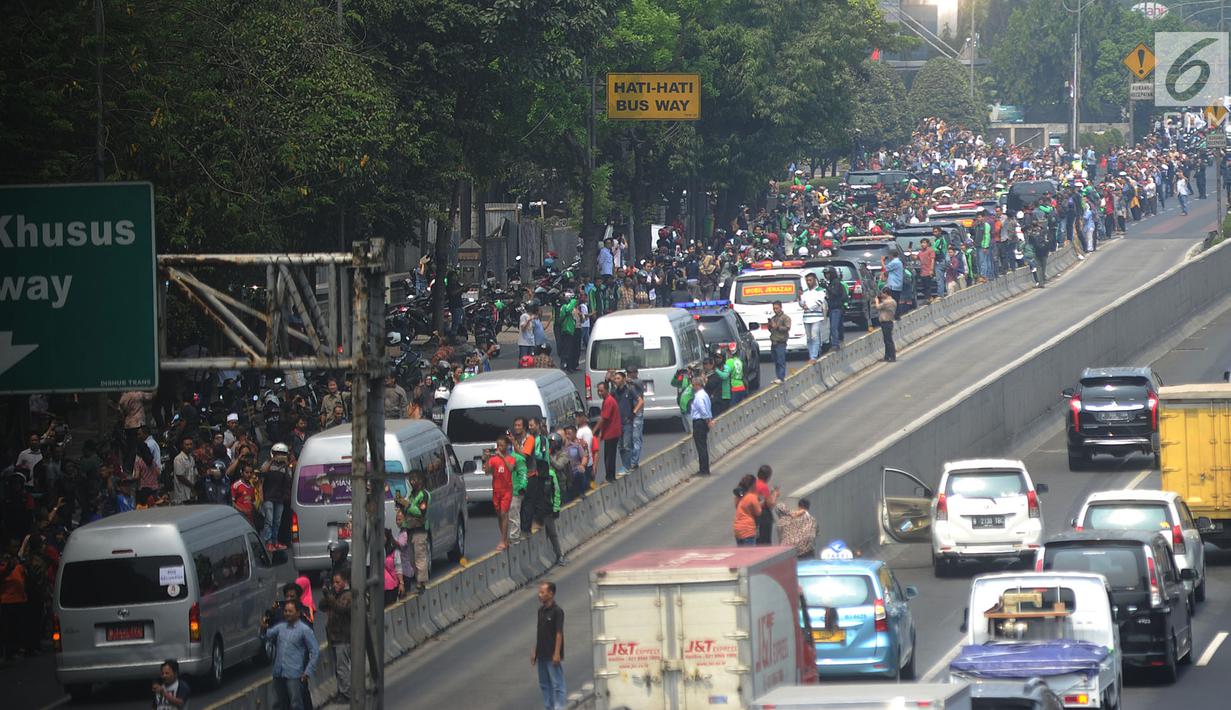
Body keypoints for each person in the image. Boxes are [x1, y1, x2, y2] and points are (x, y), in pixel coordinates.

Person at [260, 600, 319, 710]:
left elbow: (315, 651)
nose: (287, 613)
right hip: (279, 673)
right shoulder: (280, 627)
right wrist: (263, 627)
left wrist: (308, 672)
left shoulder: (304, 630)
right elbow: (266, 636)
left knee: (296, 704)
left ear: (298, 613)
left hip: (294, 675)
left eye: (290, 611)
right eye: (286, 611)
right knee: (282, 703)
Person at [318, 570, 353, 703]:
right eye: (334, 582)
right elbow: (322, 606)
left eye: (338, 582)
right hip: (333, 638)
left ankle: (347, 694)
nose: (335, 585)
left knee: (342, 667)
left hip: (343, 638)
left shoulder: (348, 595)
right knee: (338, 668)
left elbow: (340, 609)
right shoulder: (335, 595)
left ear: (345, 582)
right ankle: (342, 690)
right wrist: (328, 593)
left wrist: (330, 596)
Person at [532, 581, 566, 710]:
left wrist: (557, 653)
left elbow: (559, 633)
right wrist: (535, 650)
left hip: (552, 655)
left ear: (550, 594)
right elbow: (540, 632)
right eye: (539, 592)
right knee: (544, 684)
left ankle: (560, 707)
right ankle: (549, 707)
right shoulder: (540, 611)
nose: (539, 595)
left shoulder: (558, 611)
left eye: (542, 592)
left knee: (558, 684)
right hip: (541, 654)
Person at [396, 471, 431, 593]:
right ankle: (418, 580)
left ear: (421, 480)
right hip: (410, 529)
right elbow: (407, 510)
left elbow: (420, 512)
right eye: (411, 480)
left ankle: (421, 582)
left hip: (419, 530)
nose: (412, 482)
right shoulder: (411, 495)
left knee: (419, 556)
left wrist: (408, 505)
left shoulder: (424, 495)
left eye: (415, 479)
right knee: (412, 559)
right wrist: (401, 503)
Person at [261, 443, 292, 551]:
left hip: (280, 498)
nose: (280, 455)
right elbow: (263, 471)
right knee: (269, 520)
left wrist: (286, 464)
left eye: (282, 454)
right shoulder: (268, 464)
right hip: (268, 496)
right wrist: (272, 460)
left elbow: (289, 479)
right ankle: (268, 542)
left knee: (277, 521)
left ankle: (275, 541)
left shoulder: (286, 467)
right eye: (278, 453)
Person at [612, 370, 644, 473]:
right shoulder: (614, 392)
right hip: (617, 423)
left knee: (627, 445)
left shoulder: (629, 390)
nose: (616, 380)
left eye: (618, 378)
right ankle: (625, 465)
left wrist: (634, 413)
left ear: (623, 379)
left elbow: (640, 401)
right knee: (620, 446)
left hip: (627, 422)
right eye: (615, 378)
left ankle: (628, 466)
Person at [593, 381, 622, 482]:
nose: (599, 393)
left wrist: (594, 430)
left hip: (612, 433)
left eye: (601, 391)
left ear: (607, 390)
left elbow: (603, 418)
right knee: (609, 455)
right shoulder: (606, 400)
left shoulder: (609, 401)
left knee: (609, 456)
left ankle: (610, 477)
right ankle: (610, 476)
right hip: (610, 433)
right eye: (598, 391)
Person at [488, 441, 512, 550]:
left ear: (506, 446)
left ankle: (503, 540)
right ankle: (505, 538)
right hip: (496, 491)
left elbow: (511, 468)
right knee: (499, 515)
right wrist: (487, 458)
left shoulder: (510, 458)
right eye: (498, 445)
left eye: (502, 445)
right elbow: (487, 472)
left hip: (507, 491)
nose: (499, 448)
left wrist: (503, 457)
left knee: (504, 514)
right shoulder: (493, 460)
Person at [689, 373, 713, 476]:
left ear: (697, 385)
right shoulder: (705, 394)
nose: (693, 387)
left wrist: (707, 419)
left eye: (694, 385)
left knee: (701, 447)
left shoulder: (699, 396)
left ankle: (704, 470)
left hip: (699, 422)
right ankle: (704, 469)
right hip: (703, 422)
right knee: (703, 446)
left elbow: (703, 409)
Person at [799, 272, 827, 363]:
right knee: (808, 338)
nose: (808, 282)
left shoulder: (821, 290)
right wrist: (800, 300)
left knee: (815, 336)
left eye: (810, 280)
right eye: (807, 280)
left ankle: (814, 357)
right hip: (806, 317)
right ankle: (811, 355)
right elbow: (801, 304)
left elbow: (818, 302)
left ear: (814, 280)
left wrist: (808, 307)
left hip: (817, 317)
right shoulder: (805, 292)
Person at [754, 465, 780, 545]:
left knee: (758, 540)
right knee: (765, 541)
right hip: (764, 517)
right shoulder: (763, 486)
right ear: (768, 476)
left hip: (755, 515)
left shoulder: (754, 484)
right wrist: (775, 494)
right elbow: (770, 504)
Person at [732, 474, 762, 546]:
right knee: (749, 554)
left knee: (742, 553)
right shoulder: (752, 497)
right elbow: (758, 512)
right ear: (752, 485)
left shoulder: (738, 496)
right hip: (748, 529)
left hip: (737, 528)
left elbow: (737, 506)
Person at [767, 301, 791, 383]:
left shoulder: (785, 318)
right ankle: (778, 376)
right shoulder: (773, 318)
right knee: (775, 360)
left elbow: (787, 328)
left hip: (781, 342)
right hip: (773, 341)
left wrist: (777, 327)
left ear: (781, 307)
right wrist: (770, 325)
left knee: (781, 360)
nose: (775, 310)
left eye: (776, 308)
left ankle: (781, 377)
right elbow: (771, 330)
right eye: (774, 308)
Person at [170, 436, 197, 504]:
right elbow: (180, 477)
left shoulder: (192, 458)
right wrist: (192, 486)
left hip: (191, 493)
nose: (189, 446)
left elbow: (194, 473)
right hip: (182, 494)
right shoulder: (178, 459)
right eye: (187, 444)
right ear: (182, 446)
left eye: (191, 444)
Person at [873, 288, 897, 362]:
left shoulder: (888, 302)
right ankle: (887, 356)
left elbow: (878, 307)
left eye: (882, 293)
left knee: (888, 340)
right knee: (886, 340)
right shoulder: (892, 301)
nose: (881, 295)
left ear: (886, 293)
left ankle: (892, 357)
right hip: (887, 323)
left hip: (887, 323)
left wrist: (876, 301)